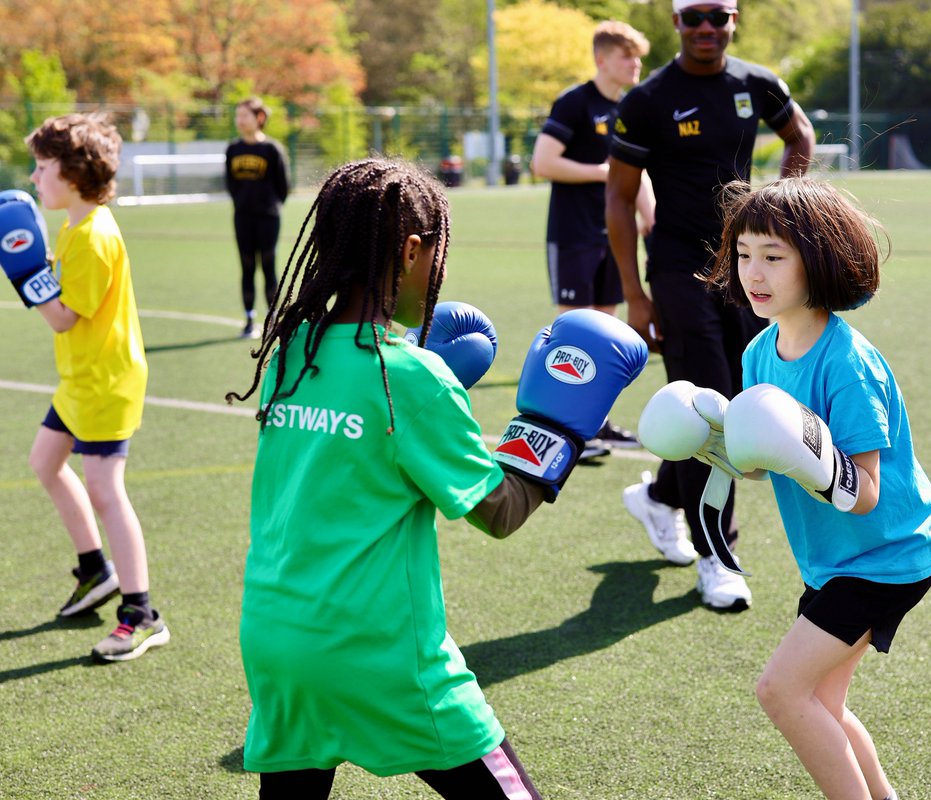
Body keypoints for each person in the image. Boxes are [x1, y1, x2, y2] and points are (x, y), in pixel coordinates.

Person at [225, 157, 646, 799]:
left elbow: (354, 456)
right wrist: (554, 424)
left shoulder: (293, 353)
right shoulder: (412, 379)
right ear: (414, 249)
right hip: (379, 651)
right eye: (438, 250)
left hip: (277, 639)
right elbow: (498, 511)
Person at [708, 177, 931, 800]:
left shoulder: (847, 363)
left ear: (817, 260)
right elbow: (762, 462)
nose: (753, 273)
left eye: (773, 256)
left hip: (885, 558)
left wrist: (806, 455)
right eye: (744, 255)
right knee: (820, 700)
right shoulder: (760, 352)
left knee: (781, 692)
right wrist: (719, 444)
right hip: (833, 559)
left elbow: (863, 490)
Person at [606, 0, 815, 610]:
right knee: (710, 409)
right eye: (692, 16)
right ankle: (716, 556)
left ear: (733, 20)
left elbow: (798, 133)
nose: (705, 28)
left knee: (735, 401)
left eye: (716, 16)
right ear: (676, 23)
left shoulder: (755, 83)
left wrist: (785, 204)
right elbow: (619, 200)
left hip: (746, 266)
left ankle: (662, 496)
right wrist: (634, 294)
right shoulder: (646, 100)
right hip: (676, 268)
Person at [13, 113, 167, 662]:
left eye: (43, 166)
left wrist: (21, 271)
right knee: (44, 461)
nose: (34, 177)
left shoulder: (93, 236)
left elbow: (61, 318)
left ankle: (141, 613)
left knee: (105, 487)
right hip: (81, 377)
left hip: (105, 381)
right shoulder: (77, 226)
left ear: (74, 172)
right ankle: (95, 571)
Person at [530, 19, 654, 457]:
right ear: (602, 59)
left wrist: (648, 216)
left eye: (639, 56)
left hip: (612, 236)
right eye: (627, 56)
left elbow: (637, 172)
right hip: (573, 233)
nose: (636, 63)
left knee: (604, 329)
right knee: (572, 331)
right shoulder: (574, 103)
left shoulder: (630, 108)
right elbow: (542, 162)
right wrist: (601, 173)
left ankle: (594, 426)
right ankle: (559, 431)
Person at [225, 96, 290, 338]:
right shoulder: (233, 149)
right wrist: (244, 205)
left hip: (268, 218)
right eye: (237, 115)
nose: (239, 120)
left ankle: (273, 319)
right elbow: (230, 184)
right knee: (247, 266)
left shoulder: (272, 149)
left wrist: (269, 207)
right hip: (243, 218)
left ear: (259, 118)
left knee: (268, 266)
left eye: (244, 115)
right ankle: (249, 320)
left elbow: (284, 186)